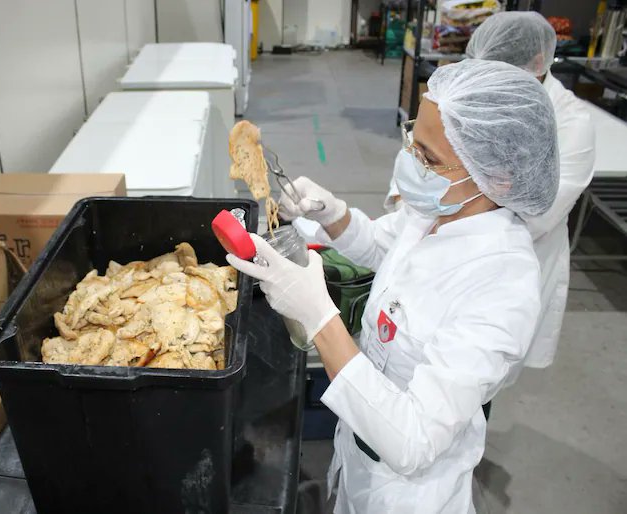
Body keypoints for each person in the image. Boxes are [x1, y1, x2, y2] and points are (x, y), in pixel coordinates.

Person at [227, 59, 559, 513]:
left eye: (429, 158)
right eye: (412, 142)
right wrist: (331, 213)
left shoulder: (502, 285)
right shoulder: (439, 210)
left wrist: (317, 318)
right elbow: (384, 246)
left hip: (408, 493)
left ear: (497, 177)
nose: (410, 163)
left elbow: (413, 438)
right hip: (358, 447)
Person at [387, 11, 596, 374]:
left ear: (538, 64)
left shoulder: (571, 123)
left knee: (471, 374)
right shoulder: (472, 96)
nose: (488, 86)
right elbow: (429, 145)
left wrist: (444, 211)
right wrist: (419, 192)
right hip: (447, 232)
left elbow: (538, 211)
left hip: (496, 263)